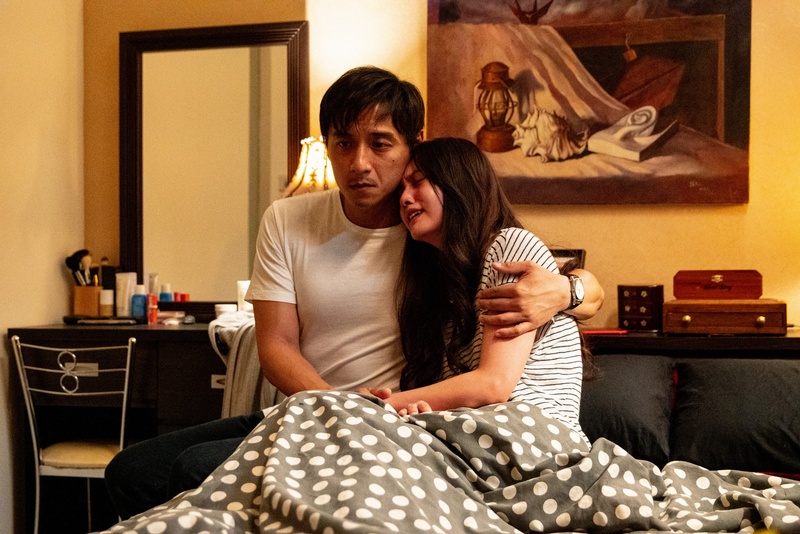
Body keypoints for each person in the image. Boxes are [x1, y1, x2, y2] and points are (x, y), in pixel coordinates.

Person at [104, 66, 603, 519]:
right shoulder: (291, 219)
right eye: (343, 143)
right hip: (312, 409)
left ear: (415, 144)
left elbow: (531, 294)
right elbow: (276, 345)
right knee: (132, 471)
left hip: (394, 426)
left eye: (381, 145)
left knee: (196, 470)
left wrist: (569, 288)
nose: (359, 163)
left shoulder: (432, 238)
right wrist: (334, 407)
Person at [363, 137, 585, 442]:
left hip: (536, 437)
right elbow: (461, 398)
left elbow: (494, 385)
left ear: (458, 182)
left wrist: (376, 406)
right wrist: (417, 409)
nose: (404, 198)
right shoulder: (444, 295)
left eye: (417, 182)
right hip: (479, 439)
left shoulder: (510, 245)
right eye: (402, 189)